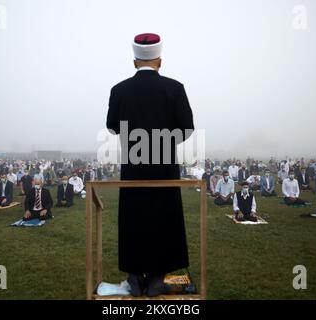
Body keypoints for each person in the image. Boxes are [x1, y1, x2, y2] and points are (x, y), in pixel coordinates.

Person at [106, 33, 194, 297]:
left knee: (134, 219)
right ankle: (157, 278)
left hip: (133, 167)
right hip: (165, 169)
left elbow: (112, 126)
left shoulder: (119, 90)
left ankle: (134, 276)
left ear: (135, 62)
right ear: (160, 61)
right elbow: (186, 129)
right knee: (163, 219)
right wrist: (163, 143)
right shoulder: (175, 88)